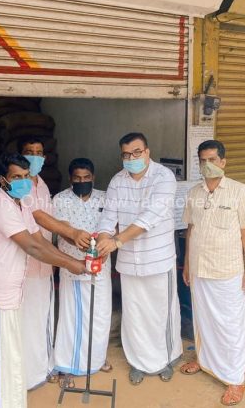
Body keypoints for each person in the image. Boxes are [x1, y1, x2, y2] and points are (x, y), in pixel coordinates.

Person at [0, 153, 89, 408]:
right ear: (2, 180)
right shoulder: (1, 207)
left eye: (25, 177)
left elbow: (40, 240)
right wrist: (71, 264)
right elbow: (32, 247)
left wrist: (73, 261)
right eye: (16, 177)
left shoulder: (20, 205)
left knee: (8, 362)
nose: (23, 182)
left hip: (8, 296)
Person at [97, 132, 182, 385]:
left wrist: (116, 241)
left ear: (147, 152)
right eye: (126, 154)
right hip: (128, 262)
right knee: (134, 314)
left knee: (162, 312)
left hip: (158, 259)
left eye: (136, 152)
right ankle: (138, 361)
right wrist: (103, 237)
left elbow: (150, 217)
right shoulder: (117, 181)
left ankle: (166, 358)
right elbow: (108, 216)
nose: (131, 158)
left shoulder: (163, 177)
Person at [180, 140, 245, 406]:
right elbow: (190, 230)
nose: (207, 165)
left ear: (223, 162)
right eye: (203, 160)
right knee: (203, 320)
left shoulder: (239, 191)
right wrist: (187, 264)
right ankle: (204, 362)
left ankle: (235, 378)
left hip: (228, 271)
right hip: (200, 269)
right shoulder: (194, 192)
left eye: (212, 159)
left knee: (230, 325)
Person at [17, 136, 91, 389]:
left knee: (44, 316)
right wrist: (71, 235)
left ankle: (44, 368)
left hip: (46, 261)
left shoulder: (42, 184)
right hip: (29, 261)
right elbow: (38, 217)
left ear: (44, 157)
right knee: (29, 319)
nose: (34, 156)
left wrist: (72, 235)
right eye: (29, 151)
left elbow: (51, 220)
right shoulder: (21, 185)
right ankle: (29, 375)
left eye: (38, 152)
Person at [52, 158, 112, 387]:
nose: (82, 181)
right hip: (73, 267)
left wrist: (103, 246)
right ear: (70, 179)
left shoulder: (105, 198)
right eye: (77, 178)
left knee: (100, 315)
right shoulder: (60, 199)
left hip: (101, 267)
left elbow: (112, 227)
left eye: (86, 177)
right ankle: (67, 365)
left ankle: (95, 359)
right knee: (73, 318)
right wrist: (81, 244)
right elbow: (63, 230)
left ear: (93, 177)